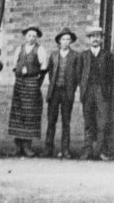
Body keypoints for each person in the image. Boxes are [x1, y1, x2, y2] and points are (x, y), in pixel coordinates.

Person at [8, 25, 48, 157]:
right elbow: (15, 67)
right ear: (25, 36)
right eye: (29, 35)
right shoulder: (19, 49)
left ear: (36, 38)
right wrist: (19, 77)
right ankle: (17, 146)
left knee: (29, 115)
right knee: (18, 115)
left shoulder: (40, 49)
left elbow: (43, 69)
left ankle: (27, 146)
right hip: (19, 85)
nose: (31, 38)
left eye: (34, 36)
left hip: (32, 85)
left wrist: (36, 84)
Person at [78, 26, 114, 160]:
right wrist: (82, 89)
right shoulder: (84, 55)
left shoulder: (107, 55)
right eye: (92, 36)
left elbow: (111, 76)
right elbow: (79, 74)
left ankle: (101, 151)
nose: (95, 39)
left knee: (102, 122)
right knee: (88, 121)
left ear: (101, 39)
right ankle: (87, 150)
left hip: (101, 91)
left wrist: (107, 92)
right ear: (89, 39)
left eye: (98, 36)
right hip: (87, 91)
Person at [46, 27, 82, 158]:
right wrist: (55, 84)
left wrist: (71, 89)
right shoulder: (53, 55)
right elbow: (50, 73)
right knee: (51, 120)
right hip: (54, 91)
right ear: (59, 41)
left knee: (66, 121)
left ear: (71, 41)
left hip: (67, 92)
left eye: (68, 39)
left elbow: (77, 75)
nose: (66, 41)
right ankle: (48, 148)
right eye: (63, 39)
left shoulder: (76, 56)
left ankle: (65, 149)